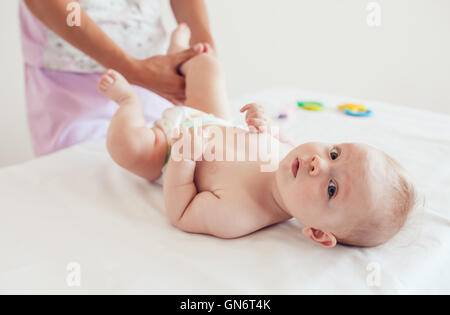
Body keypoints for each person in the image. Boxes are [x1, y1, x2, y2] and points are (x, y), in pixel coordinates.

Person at [98, 24, 417, 248]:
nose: (318, 163)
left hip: (167, 149)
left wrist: (183, 159)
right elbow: (273, 135)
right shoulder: (290, 155)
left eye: (332, 188)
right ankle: (177, 56)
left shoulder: (240, 215)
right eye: (334, 153)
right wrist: (263, 123)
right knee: (208, 65)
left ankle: (128, 102)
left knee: (126, 147)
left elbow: (181, 212)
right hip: (210, 120)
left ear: (318, 233)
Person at [20, 0, 214, 156]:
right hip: (71, 82)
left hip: (155, 74)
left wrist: (205, 52)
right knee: (89, 176)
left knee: (159, 162)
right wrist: (134, 71)